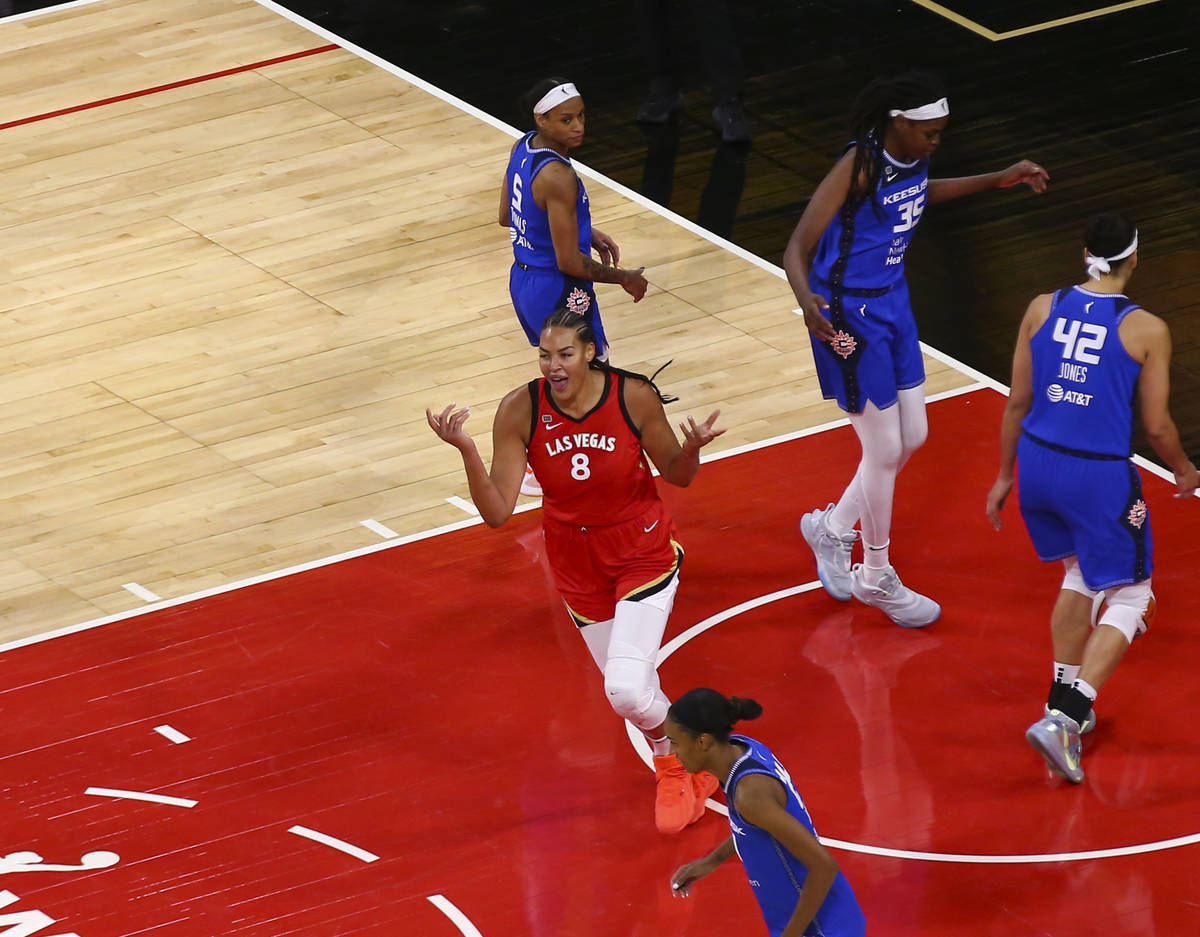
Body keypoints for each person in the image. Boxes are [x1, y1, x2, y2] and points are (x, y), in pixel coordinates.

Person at [427, 308, 724, 832]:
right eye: (545, 355)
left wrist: (694, 448)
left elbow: (678, 474)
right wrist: (467, 450)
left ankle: (678, 760)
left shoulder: (632, 397)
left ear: (590, 352)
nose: (553, 366)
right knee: (634, 686)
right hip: (575, 565)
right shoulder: (520, 409)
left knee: (626, 690)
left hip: (641, 553)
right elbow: (498, 513)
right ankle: (687, 751)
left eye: (565, 354)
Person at [782, 70, 1049, 628]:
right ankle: (875, 574)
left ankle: (831, 531)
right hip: (846, 311)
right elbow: (797, 246)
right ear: (898, 123)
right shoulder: (858, 165)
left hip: (894, 302)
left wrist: (997, 178)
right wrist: (807, 302)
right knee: (883, 449)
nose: (936, 142)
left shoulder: (912, 158)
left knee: (915, 437)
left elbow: (921, 193)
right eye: (929, 133)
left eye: (940, 134)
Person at [986, 213, 1198, 784]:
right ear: (1135, 259)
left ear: (1084, 254)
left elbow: (1016, 401)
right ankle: (1068, 718)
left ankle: (1059, 696)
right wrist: (1183, 468)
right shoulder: (1146, 328)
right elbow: (1155, 427)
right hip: (1096, 475)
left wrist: (1005, 474)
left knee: (1079, 572)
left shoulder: (1041, 306)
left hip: (1037, 464)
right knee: (1133, 592)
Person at [499, 77, 650, 496]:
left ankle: (566, 456)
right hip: (556, 283)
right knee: (585, 368)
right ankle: (548, 464)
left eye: (581, 116)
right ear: (541, 119)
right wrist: (624, 277)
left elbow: (509, 214)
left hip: (525, 278)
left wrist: (582, 230)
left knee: (564, 369)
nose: (578, 126)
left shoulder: (523, 146)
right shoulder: (557, 175)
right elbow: (569, 261)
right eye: (566, 120)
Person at [666, 688, 866, 937]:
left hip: (820, 927)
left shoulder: (750, 794)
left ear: (703, 741)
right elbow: (753, 829)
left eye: (675, 742)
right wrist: (711, 861)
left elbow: (823, 866)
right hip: (812, 916)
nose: (671, 753)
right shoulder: (743, 749)